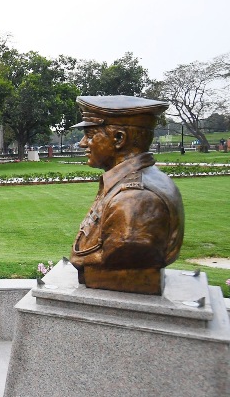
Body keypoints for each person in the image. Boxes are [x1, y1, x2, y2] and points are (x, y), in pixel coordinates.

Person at [70, 95, 184, 295]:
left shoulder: (135, 200)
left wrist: (81, 259)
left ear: (119, 139)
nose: (82, 143)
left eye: (90, 135)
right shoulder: (133, 183)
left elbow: (127, 247)